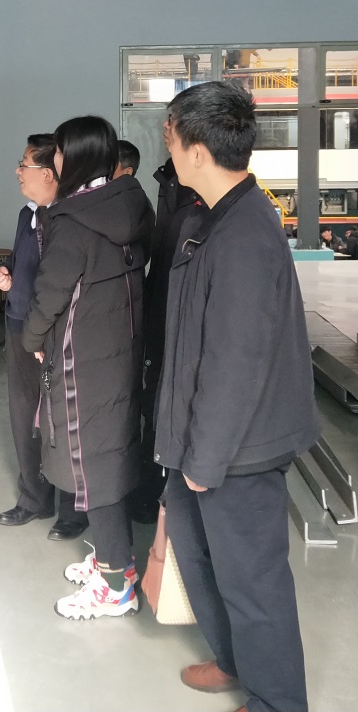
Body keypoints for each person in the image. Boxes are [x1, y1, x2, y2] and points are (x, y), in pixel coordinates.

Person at [156, 81, 319, 712]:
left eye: (171, 138)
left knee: (253, 580)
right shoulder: (211, 215)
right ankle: (234, 662)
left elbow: (236, 359)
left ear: (197, 150)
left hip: (237, 448)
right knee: (203, 558)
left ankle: (277, 700)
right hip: (198, 437)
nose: (167, 151)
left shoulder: (244, 233)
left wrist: (205, 457)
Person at [23, 115, 153, 619]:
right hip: (118, 349)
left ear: (73, 157)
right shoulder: (128, 202)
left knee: (90, 464)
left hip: (83, 358)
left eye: (58, 151)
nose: (53, 160)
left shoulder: (73, 219)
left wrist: (33, 337)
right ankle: (112, 561)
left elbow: (51, 292)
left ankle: (116, 585)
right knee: (110, 453)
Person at [0, 134, 87, 541]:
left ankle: (73, 509)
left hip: (51, 335)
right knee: (23, 416)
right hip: (19, 327)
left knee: (62, 421)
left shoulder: (66, 219)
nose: (18, 171)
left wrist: (44, 334)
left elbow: (62, 283)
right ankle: (34, 498)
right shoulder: (26, 215)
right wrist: (7, 274)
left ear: (48, 174)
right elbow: (23, 264)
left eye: (24, 164)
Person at [129, 151, 200, 524]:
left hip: (179, 318)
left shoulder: (197, 194)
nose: (167, 132)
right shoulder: (170, 183)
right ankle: (149, 490)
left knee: (168, 404)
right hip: (161, 311)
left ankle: (159, 494)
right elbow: (161, 257)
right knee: (153, 401)